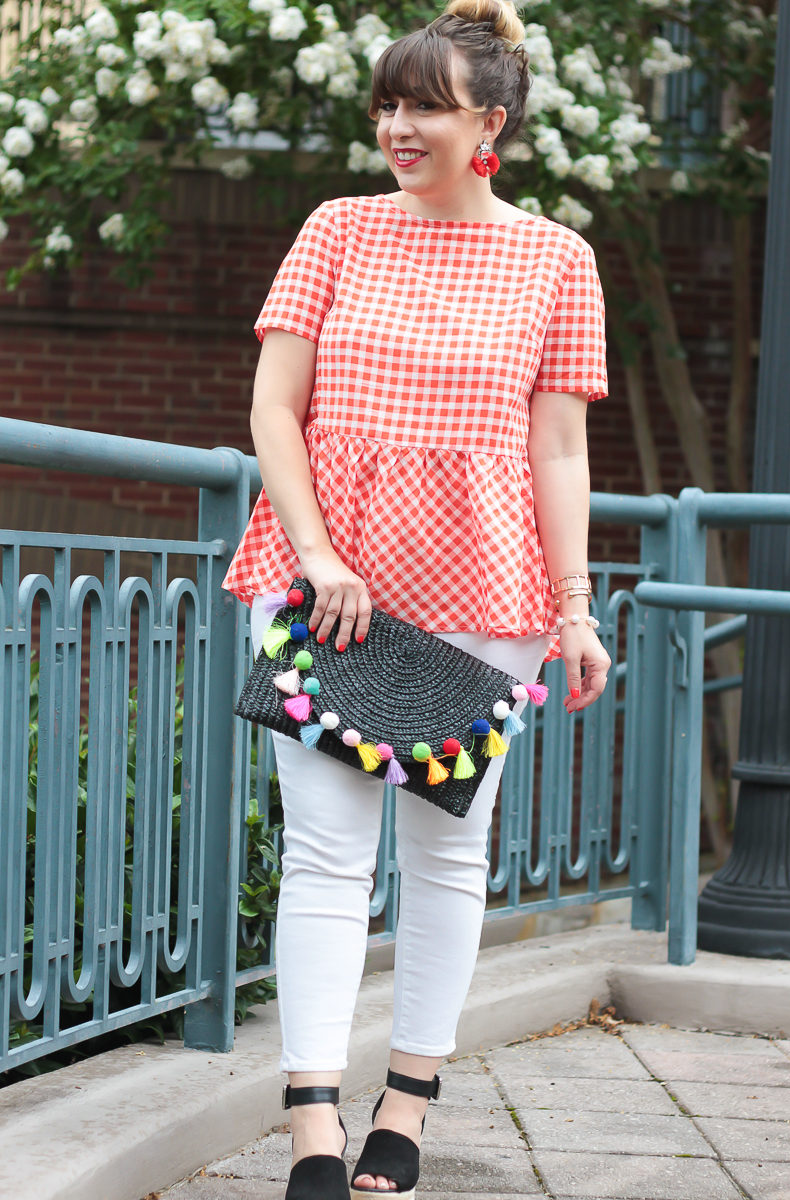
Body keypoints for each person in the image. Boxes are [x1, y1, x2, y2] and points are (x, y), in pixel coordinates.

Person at [222, 1, 611, 1196]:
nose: (398, 124)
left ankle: (408, 1099)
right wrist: (320, 553)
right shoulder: (336, 229)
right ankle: (310, 1125)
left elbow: (554, 449)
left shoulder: (557, 257)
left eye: (426, 104)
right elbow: (271, 410)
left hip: (483, 586)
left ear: (488, 122)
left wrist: (573, 604)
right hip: (324, 585)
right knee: (328, 857)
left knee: (448, 856)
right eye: (389, 101)